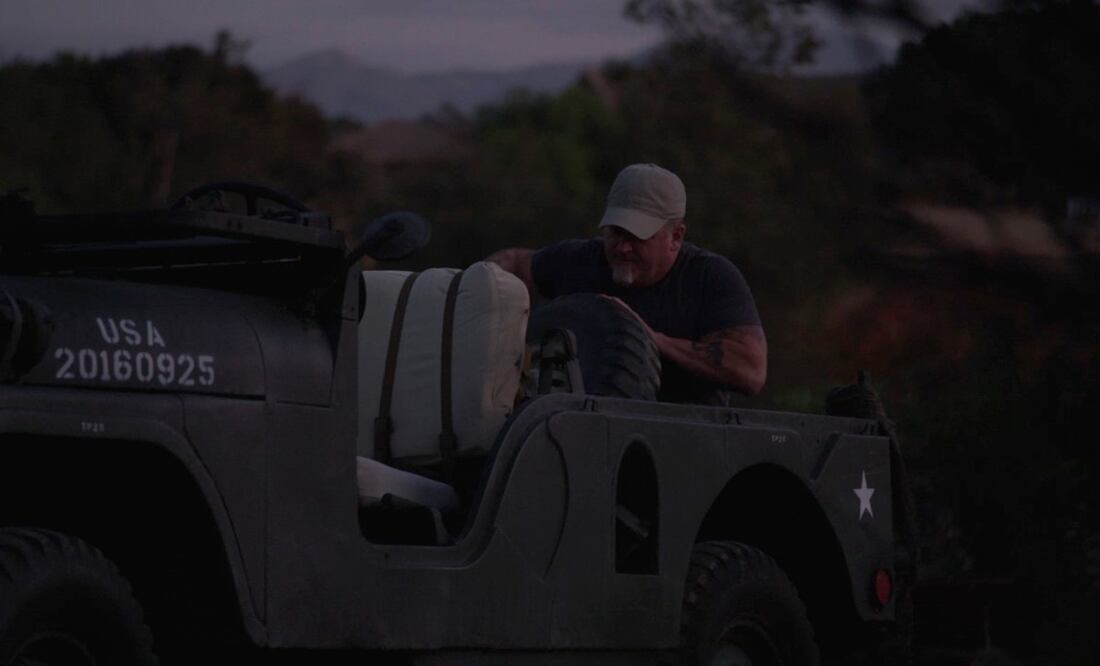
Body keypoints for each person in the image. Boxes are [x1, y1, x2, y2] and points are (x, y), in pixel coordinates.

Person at [488, 163, 766, 405]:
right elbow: (512, 263)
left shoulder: (710, 278)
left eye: (637, 236)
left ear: (676, 237)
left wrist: (647, 337)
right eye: (615, 232)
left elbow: (751, 369)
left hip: (684, 437)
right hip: (580, 433)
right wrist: (467, 300)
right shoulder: (582, 260)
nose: (622, 248)